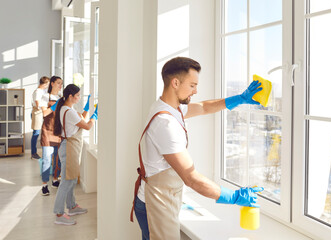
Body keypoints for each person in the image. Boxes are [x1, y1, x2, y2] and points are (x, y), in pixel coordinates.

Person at [131, 57, 264, 240]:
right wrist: (233, 196)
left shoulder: (169, 107)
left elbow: (203, 107)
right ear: (175, 83)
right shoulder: (165, 123)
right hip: (154, 204)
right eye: (192, 85)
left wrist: (239, 99)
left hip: (159, 198)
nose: (196, 91)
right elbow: (191, 178)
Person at [52, 84, 98, 225]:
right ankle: (59, 214)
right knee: (67, 181)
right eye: (77, 95)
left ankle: (71, 206)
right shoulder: (68, 111)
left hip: (70, 147)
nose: (79, 97)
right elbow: (87, 126)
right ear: (70, 96)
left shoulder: (66, 109)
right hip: (69, 148)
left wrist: (87, 108)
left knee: (71, 178)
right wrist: (95, 115)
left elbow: (78, 121)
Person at [39, 76, 63, 195]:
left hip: (58, 132)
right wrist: (54, 106)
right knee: (47, 160)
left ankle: (55, 179)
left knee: (57, 160)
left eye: (61, 83)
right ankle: (44, 185)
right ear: (52, 84)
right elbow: (44, 113)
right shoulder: (45, 97)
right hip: (47, 132)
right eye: (58, 83)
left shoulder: (60, 98)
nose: (60, 86)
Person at [31, 76, 50, 160]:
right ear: (45, 83)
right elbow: (38, 104)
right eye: (48, 84)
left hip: (40, 113)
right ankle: (33, 153)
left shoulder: (41, 91)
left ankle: (35, 153)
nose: (48, 86)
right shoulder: (38, 92)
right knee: (36, 134)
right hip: (37, 113)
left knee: (38, 133)